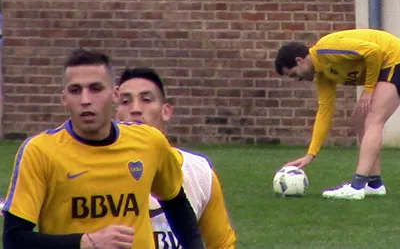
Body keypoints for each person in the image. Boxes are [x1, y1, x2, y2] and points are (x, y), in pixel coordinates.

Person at [2, 49, 205, 249]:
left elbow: (176, 204)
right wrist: (84, 242)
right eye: (75, 90)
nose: (85, 100)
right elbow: (14, 239)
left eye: (96, 89)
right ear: (64, 98)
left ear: (115, 94)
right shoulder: (40, 152)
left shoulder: (150, 142)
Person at [275, 28, 400, 200]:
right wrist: (310, 154)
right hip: (386, 64)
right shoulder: (323, 75)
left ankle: (357, 187)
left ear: (299, 61)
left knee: (373, 120)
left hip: (399, 58)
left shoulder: (327, 50)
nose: (297, 79)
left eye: (293, 74)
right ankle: (374, 185)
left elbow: (374, 51)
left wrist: (368, 90)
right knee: (360, 119)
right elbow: (324, 113)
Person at [115, 67, 237, 249]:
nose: (135, 109)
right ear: (116, 114)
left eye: (146, 100)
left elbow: (222, 245)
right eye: (125, 101)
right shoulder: (95, 171)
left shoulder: (199, 173)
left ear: (166, 111)